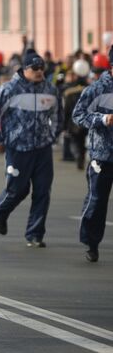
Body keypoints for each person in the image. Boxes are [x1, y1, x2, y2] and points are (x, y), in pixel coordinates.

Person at [0, 49, 63, 248]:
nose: (39, 71)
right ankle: (1, 211)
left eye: (41, 67)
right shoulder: (10, 89)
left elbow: (58, 116)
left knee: (43, 191)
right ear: (25, 69)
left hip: (42, 149)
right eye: (34, 68)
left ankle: (35, 234)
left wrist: (51, 135)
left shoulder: (50, 90)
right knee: (18, 190)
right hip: (18, 148)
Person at [71, 44, 113, 263]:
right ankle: (91, 243)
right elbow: (78, 116)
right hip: (103, 156)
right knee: (97, 201)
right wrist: (102, 120)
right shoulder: (97, 89)